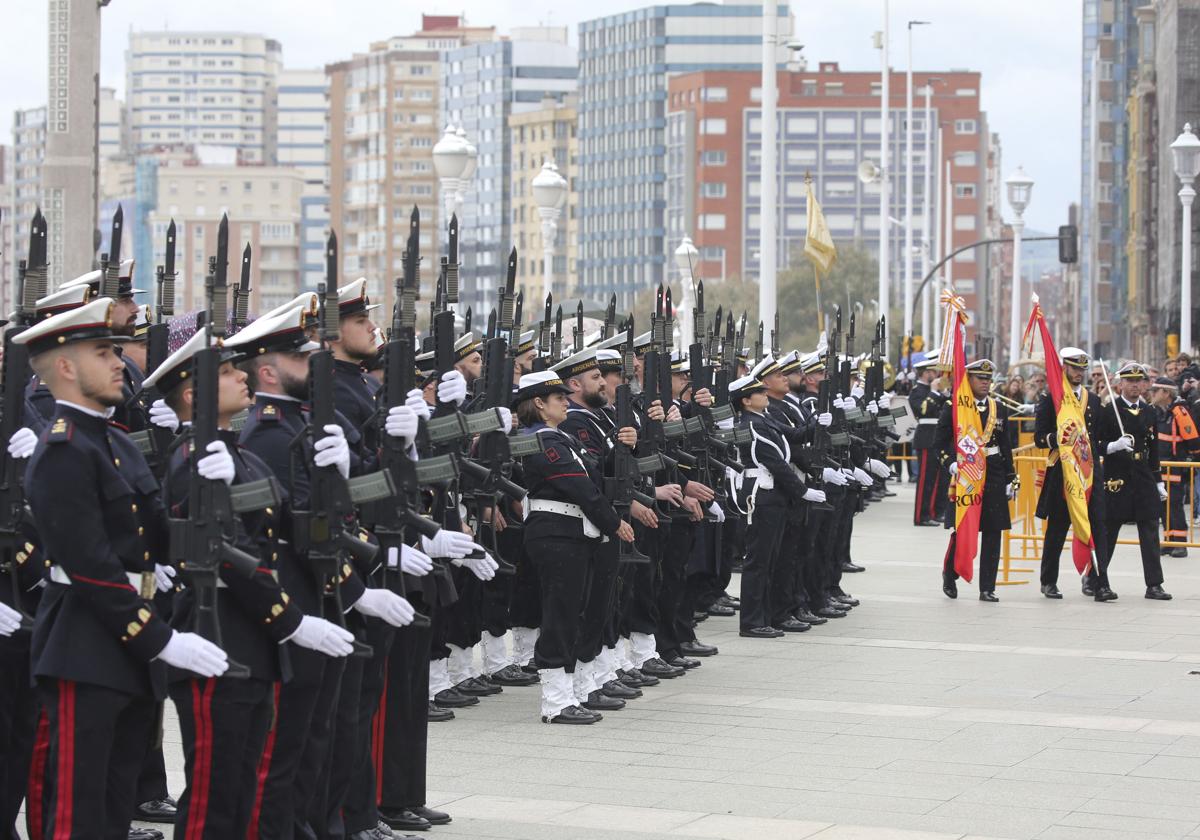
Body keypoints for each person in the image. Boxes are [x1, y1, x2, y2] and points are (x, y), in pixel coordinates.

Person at [14, 297, 230, 839]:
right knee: (77, 811)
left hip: (130, 648)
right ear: (65, 367)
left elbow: (159, 537)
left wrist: (205, 476)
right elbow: (91, 569)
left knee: (114, 805)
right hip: (85, 647)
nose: (120, 363)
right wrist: (158, 637)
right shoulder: (63, 450)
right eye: (104, 351)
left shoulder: (113, 441)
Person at [144, 328, 357, 838]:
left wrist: (340, 478)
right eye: (226, 372)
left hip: (254, 642)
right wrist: (291, 621)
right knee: (213, 801)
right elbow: (225, 557)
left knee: (244, 788)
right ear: (194, 395)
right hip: (215, 638)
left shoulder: (242, 456)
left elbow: (293, 525)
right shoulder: (192, 459)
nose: (242, 376)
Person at [513, 370, 633, 724]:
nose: (566, 402)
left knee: (577, 612)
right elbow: (580, 487)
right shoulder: (541, 441)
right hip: (555, 534)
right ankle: (555, 701)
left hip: (574, 534)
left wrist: (622, 445)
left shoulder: (560, 439)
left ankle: (575, 691)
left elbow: (596, 474)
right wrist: (614, 522)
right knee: (560, 616)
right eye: (558, 399)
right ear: (538, 404)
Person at [730, 367, 820, 638]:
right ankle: (752, 622)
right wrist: (802, 491)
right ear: (746, 400)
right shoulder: (750, 425)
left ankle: (767, 616)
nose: (763, 393)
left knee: (771, 560)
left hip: (775, 496)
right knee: (758, 562)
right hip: (762, 495)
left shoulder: (764, 419)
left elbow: (794, 437)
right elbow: (774, 462)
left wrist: (822, 421)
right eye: (757, 391)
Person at [1034, 347, 1116, 602]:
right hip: (1063, 471)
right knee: (1058, 528)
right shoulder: (1053, 398)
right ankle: (1049, 581)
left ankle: (1100, 582)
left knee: (1097, 526)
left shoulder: (1092, 400)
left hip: (1089, 471)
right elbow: (1039, 436)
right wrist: (1055, 439)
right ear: (1064, 368)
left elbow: (1098, 436)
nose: (1079, 373)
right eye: (1074, 368)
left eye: (1082, 368)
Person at [936, 359, 1016, 602]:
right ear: (968, 379)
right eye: (980, 378)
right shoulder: (954, 407)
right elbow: (939, 443)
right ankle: (950, 573)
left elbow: (1006, 445)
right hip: (966, 474)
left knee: (993, 531)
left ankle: (987, 587)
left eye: (988, 378)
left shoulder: (998, 408)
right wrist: (951, 463)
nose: (984, 382)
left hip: (993, 472)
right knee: (964, 528)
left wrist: (1010, 478)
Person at [1098, 363, 1172, 600]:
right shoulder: (1110, 410)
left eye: (1139, 381)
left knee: (1150, 531)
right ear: (1120, 384)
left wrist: (1158, 480)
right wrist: (1114, 446)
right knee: (1109, 531)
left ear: (1145, 384)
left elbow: (1154, 449)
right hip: (1117, 476)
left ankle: (1154, 584)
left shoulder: (1149, 411)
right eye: (1130, 381)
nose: (1135, 385)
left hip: (1143, 476)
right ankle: (1098, 580)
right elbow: (1096, 444)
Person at [1149, 376, 1197, 557]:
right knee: (1163, 506)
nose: (1151, 394)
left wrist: (1190, 461)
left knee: (1175, 505)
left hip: (1175, 467)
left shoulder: (1179, 411)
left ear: (1166, 393)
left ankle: (1180, 544)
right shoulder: (1159, 411)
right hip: (1161, 468)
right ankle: (1169, 541)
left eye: (1155, 391)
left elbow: (1192, 439)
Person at [909, 357, 945, 527]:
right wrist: (934, 392)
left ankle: (933, 512)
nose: (936, 375)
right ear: (925, 373)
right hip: (925, 438)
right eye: (933, 372)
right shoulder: (918, 390)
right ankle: (920, 516)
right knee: (925, 481)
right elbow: (923, 410)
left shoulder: (934, 391)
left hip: (937, 438)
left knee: (936, 479)